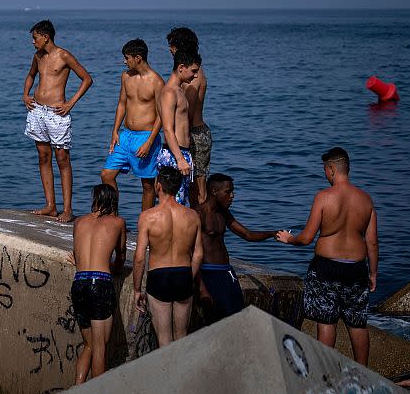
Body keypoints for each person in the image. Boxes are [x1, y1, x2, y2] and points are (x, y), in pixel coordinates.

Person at [276, 147, 378, 366]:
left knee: (326, 321)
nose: (325, 174)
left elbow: (306, 238)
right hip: (356, 269)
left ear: (332, 169)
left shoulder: (323, 197)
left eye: (325, 169)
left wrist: (289, 239)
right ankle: (363, 375)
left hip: (325, 269)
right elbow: (371, 242)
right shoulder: (366, 200)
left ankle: (325, 373)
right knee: (358, 324)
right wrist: (373, 273)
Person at [23, 20, 93, 222]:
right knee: (43, 157)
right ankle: (50, 206)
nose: (33, 42)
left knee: (62, 160)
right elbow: (31, 75)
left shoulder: (64, 55)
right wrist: (25, 94)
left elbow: (87, 79)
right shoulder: (37, 56)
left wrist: (71, 103)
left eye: (35, 38)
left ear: (46, 37)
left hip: (57, 114)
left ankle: (68, 209)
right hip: (37, 111)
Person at [133, 167, 203, 347]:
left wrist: (137, 289)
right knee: (182, 337)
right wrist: (189, 276)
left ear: (158, 186)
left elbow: (140, 257)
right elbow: (198, 254)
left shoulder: (147, 217)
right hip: (183, 275)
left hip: (159, 276)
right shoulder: (192, 216)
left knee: (164, 340)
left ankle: (167, 375)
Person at [194, 173, 278, 323]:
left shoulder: (223, 213)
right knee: (215, 320)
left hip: (227, 272)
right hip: (208, 273)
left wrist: (272, 233)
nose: (232, 196)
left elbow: (247, 234)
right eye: (228, 192)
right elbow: (189, 253)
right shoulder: (198, 214)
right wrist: (201, 288)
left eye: (232, 191)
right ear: (214, 191)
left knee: (237, 318)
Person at [69, 184, 127, 384]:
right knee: (100, 346)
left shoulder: (78, 222)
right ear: (113, 201)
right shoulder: (118, 222)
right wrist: (114, 269)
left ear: (95, 200)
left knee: (89, 345)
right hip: (100, 283)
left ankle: (78, 387)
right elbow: (120, 257)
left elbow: (78, 254)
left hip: (79, 283)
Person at [100, 39, 165, 211]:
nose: (124, 61)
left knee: (148, 185)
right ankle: (113, 218)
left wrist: (150, 142)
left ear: (138, 58)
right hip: (125, 135)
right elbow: (122, 103)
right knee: (107, 174)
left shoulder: (156, 81)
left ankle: (145, 225)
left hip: (146, 137)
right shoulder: (126, 76)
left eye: (127, 58)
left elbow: (162, 115)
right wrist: (114, 131)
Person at [167, 27, 211, 206]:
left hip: (195, 134)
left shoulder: (194, 75)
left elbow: (188, 112)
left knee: (198, 189)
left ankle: (200, 229)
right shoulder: (188, 72)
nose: (169, 50)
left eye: (172, 46)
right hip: (189, 134)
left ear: (179, 47)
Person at [156, 50, 202, 206]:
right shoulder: (169, 93)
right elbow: (167, 129)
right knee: (171, 206)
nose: (196, 75)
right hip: (173, 154)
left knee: (181, 204)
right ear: (181, 67)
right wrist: (180, 159)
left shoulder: (179, 90)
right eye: (193, 71)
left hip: (181, 152)